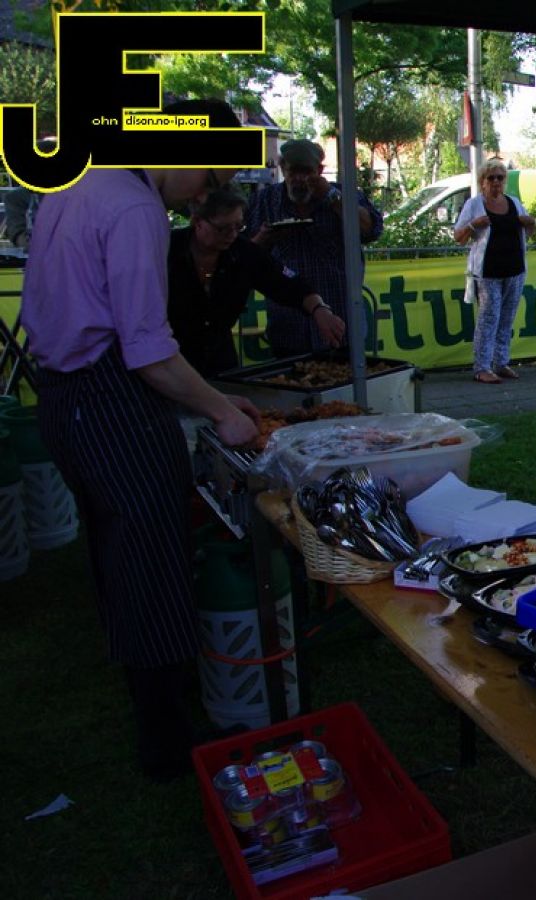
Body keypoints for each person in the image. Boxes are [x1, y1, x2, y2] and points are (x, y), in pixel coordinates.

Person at [19, 99, 261, 780]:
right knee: (153, 557)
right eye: (209, 176)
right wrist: (222, 413)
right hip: (108, 401)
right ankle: (167, 742)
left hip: (64, 399)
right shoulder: (134, 207)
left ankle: (154, 701)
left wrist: (214, 398)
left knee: (116, 553)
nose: (205, 194)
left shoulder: (79, 180)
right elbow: (149, 350)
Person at [168, 188, 345, 377]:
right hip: (169, 359)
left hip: (220, 363)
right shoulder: (165, 249)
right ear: (197, 222)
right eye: (223, 228)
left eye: (238, 226)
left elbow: (288, 283)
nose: (232, 234)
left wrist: (320, 309)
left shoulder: (244, 252)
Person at [246, 139, 382, 358]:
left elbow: (372, 230)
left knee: (342, 379)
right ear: (282, 167)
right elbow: (245, 253)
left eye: (307, 172)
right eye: (293, 171)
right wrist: (264, 238)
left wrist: (331, 196)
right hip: (288, 327)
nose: (300, 179)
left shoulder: (344, 194)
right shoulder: (266, 201)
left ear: (319, 170)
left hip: (342, 322)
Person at [453, 158, 536, 384]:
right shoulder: (474, 205)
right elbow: (458, 237)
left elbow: (529, 232)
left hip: (515, 270)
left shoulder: (514, 202)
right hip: (488, 272)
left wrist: (530, 222)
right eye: (491, 178)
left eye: (500, 177)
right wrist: (474, 225)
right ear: (483, 181)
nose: (496, 182)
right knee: (489, 318)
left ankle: (501, 362)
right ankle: (482, 367)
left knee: (507, 318)